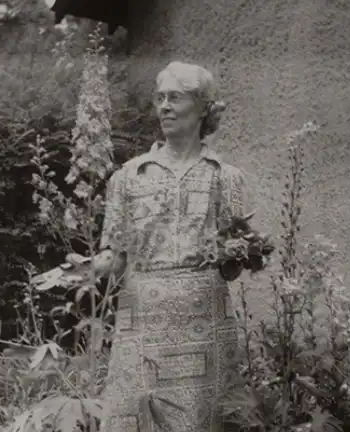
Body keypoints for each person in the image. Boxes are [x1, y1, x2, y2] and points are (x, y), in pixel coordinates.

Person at [90, 61, 250, 431]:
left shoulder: (226, 178)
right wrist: (85, 269)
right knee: (136, 415)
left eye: (175, 98)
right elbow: (113, 257)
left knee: (201, 418)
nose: (164, 106)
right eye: (159, 98)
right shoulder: (128, 177)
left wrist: (240, 251)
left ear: (202, 108)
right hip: (141, 317)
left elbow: (235, 259)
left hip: (204, 319)